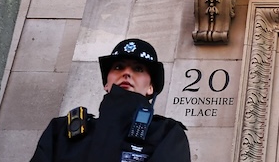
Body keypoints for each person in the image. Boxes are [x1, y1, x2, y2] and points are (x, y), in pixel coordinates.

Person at [28, 38, 191, 162]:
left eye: (138, 69)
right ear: (107, 83)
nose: (127, 73)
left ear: (151, 88)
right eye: (119, 67)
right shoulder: (62, 130)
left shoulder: (165, 133)